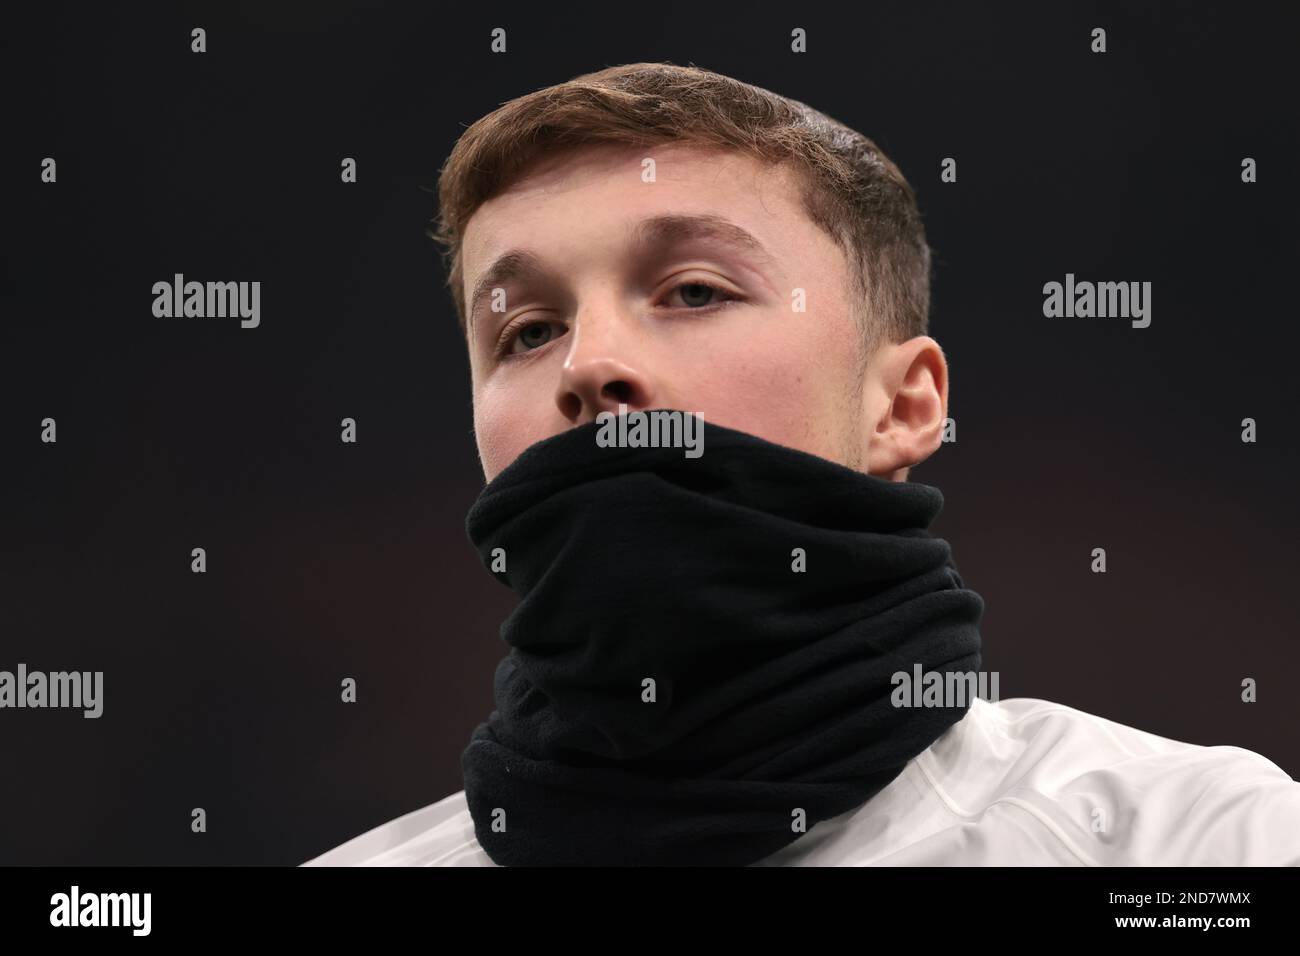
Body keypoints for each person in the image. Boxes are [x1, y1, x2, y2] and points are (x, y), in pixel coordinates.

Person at [302, 62, 1300, 867]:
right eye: (524, 329)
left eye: (693, 290)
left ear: (903, 405)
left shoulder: (1206, 843)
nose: (588, 360)